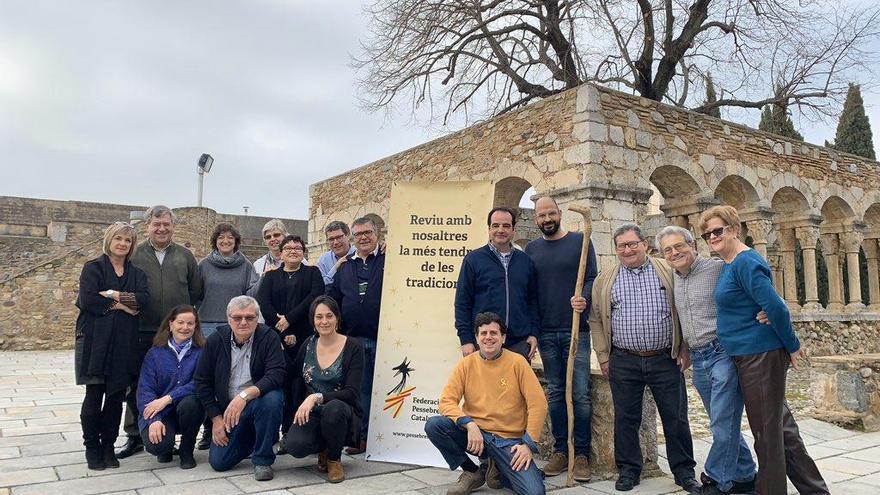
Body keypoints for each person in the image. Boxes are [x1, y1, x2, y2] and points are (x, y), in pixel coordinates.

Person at [701, 205, 829, 495]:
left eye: (718, 230)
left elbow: (774, 306)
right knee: (782, 430)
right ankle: (816, 491)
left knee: (766, 435)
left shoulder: (746, 262)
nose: (712, 237)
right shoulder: (732, 263)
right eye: (707, 233)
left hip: (759, 356)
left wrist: (793, 346)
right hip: (750, 356)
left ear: (734, 228)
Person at [589, 223, 699, 493]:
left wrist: (684, 347)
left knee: (676, 417)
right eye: (621, 246)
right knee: (626, 418)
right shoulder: (605, 279)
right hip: (624, 359)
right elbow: (596, 320)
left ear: (645, 244)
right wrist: (603, 356)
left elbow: (685, 308)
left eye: (632, 244)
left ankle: (684, 471)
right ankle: (628, 470)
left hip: (665, 358)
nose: (627, 249)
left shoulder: (668, 271)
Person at [657, 226, 757, 495]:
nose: (675, 252)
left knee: (722, 422)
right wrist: (685, 348)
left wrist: (766, 311)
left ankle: (715, 482)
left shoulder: (716, 269)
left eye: (680, 246)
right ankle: (746, 475)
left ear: (693, 245)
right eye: (668, 249)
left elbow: (752, 287)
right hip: (698, 358)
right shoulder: (673, 277)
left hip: (722, 352)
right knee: (722, 420)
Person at [425, 312, 548, 495]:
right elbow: (446, 402)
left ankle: (498, 468)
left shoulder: (518, 363)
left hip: (508, 442)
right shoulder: (466, 364)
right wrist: (469, 423)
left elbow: (538, 404)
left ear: (503, 338)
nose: (488, 338)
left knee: (535, 492)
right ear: (476, 337)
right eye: (483, 333)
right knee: (435, 425)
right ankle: (473, 472)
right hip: (476, 437)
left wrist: (528, 445)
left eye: (493, 333)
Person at [120, 205, 203, 459]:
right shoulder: (135, 254)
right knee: (138, 384)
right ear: (148, 226)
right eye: (157, 224)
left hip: (176, 332)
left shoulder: (185, 256)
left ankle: (170, 428)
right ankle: (135, 434)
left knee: (178, 380)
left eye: (166, 224)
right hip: (142, 329)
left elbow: (196, 291)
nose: (161, 228)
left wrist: (182, 323)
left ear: (173, 226)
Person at [524, 196, 597, 481]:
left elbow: (591, 277)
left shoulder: (581, 241)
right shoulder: (531, 249)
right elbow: (530, 292)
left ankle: (581, 455)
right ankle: (559, 452)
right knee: (555, 392)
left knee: (579, 394)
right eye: (541, 215)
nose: (546, 219)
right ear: (536, 219)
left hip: (576, 329)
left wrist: (585, 298)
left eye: (551, 213)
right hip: (546, 331)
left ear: (559, 213)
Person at [75, 222, 149, 470]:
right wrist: (120, 305)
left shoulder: (136, 274)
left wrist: (111, 295)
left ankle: (108, 445)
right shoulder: (93, 268)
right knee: (94, 394)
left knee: (116, 397)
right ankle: (92, 447)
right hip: (95, 340)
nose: (122, 244)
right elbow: (88, 300)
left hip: (124, 343)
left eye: (127, 240)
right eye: (118, 238)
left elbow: (142, 300)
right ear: (109, 240)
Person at [194, 295, 286, 481]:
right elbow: (202, 382)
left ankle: (262, 459)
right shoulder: (215, 340)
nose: (243, 322)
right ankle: (257, 439)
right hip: (228, 412)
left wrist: (244, 396)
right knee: (219, 463)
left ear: (257, 318)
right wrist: (216, 419)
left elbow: (276, 374)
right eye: (237, 317)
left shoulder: (269, 337)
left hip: (256, 403)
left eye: (249, 317)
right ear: (228, 319)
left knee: (273, 398)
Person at [283, 296, 365, 483]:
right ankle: (324, 448)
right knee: (295, 446)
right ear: (313, 321)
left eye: (329, 316)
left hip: (342, 412)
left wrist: (316, 397)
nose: (324, 321)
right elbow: (291, 373)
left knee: (334, 409)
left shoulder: (353, 347)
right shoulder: (308, 344)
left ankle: (334, 459)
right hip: (312, 414)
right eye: (319, 317)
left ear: (337, 318)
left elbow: (352, 392)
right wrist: (278, 348)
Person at [256, 234, 324, 446]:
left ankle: (296, 432)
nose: (293, 251)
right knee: (281, 384)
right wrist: (283, 332)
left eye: (297, 247)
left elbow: (314, 298)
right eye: (288, 248)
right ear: (281, 252)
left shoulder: (312, 273)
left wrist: (290, 320)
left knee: (302, 385)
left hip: (306, 337)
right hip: (276, 339)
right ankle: (279, 430)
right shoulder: (270, 276)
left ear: (303, 252)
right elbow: (264, 303)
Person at [326, 216, 385, 455]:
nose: (363, 237)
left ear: (377, 234)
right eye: (358, 234)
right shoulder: (345, 267)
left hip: (382, 338)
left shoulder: (389, 260)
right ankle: (360, 438)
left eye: (367, 233)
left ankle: (378, 437)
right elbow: (333, 298)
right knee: (358, 391)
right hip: (353, 341)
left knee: (379, 391)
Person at [454, 207, 539, 362]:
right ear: (489, 229)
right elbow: (462, 303)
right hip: (484, 342)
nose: (501, 230)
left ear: (513, 230)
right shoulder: (473, 260)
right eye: (496, 225)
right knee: (482, 387)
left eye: (506, 226)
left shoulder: (525, 261)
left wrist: (534, 333)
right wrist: (466, 339)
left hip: (519, 344)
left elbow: (533, 301)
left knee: (515, 387)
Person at [137, 305, 205, 469]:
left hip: (187, 410)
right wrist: (154, 420)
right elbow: (145, 389)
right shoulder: (155, 353)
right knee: (158, 446)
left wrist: (169, 398)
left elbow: (201, 383)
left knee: (192, 403)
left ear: (195, 326)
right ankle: (166, 448)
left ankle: (186, 450)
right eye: (180, 322)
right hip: (160, 412)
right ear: (171, 324)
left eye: (190, 323)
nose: (185, 327)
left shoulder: (202, 351)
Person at [198, 223, 259, 337]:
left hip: (237, 323)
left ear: (236, 241)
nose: (225, 241)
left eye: (230, 237)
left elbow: (251, 295)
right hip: (206, 325)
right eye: (221, 237)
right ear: (215, 242)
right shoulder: (203, 265)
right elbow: (196, 293)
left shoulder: (246, 265)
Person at [316, 221, 356, 285]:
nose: (335, 242)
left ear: (348, 236)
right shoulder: (323, 261)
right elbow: (320, 286)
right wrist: (335, 269)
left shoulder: (360, 254)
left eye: (339, 237)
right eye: (331, 239)